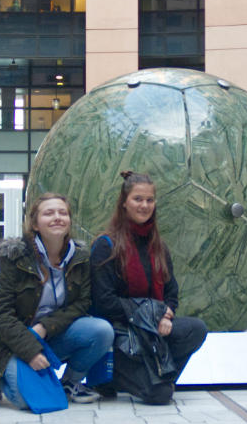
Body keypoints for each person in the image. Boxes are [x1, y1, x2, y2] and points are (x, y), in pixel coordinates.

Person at [0, 192, 113, 407]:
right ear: (34, 224)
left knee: (101, 330)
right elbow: (1, 314)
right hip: (13, 342)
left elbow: (82, 304)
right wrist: (30, 351)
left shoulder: (80, 258)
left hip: (51, 335)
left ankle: (70, 382)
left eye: (63, 213)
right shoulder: (15, 257)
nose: (57, 217)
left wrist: (45, 327)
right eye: (48, 213)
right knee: (25, 402)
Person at [89, 171, 209, 405]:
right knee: (160, 396)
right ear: (124, 203)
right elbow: (104, 302)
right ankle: (121, 378)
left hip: (152, 331)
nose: (144, 205)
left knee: (195, 329)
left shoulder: (158, 247)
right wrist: (153, 315)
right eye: (137, 199)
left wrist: (167, 313)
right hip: (122, 334)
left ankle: (159, 376)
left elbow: (171, 292)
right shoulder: (106, 246)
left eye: (149, 200)